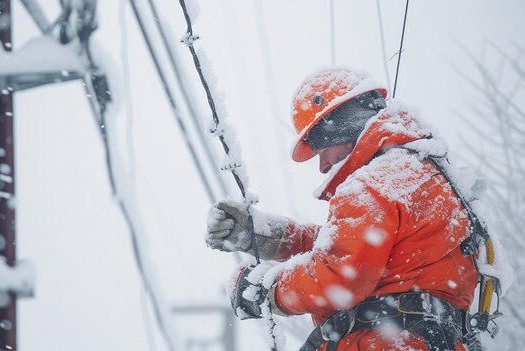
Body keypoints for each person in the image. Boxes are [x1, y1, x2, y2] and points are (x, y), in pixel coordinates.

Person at [205, 67, 481, 350]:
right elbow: (352, 248)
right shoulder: (413, 174)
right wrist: (268, 237)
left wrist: (267, 291)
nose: (323, 166)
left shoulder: (375, 182)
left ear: (341, 128)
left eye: (322, 152)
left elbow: (340, 274)